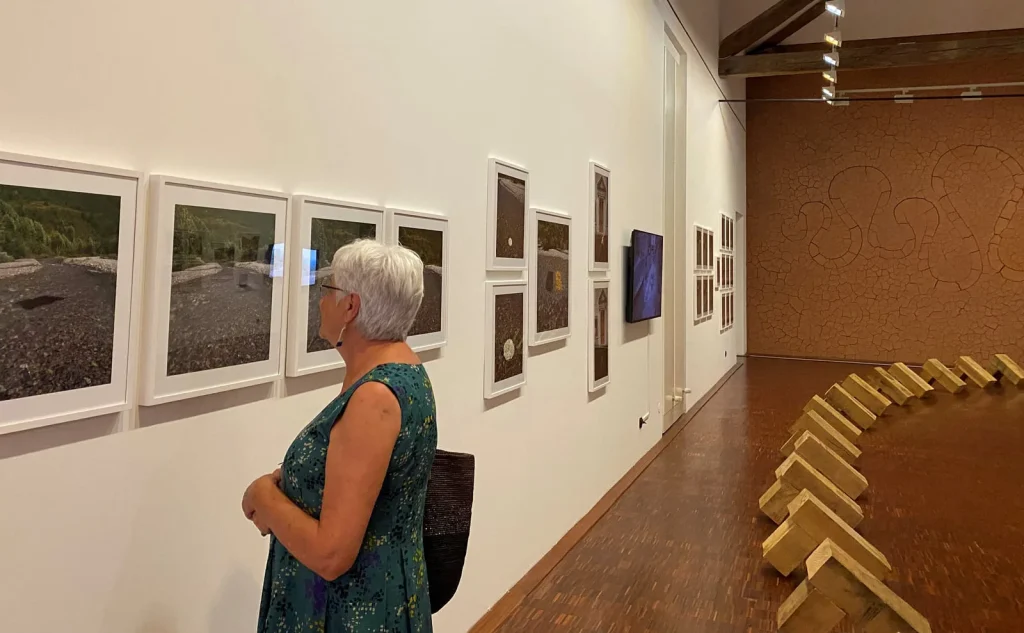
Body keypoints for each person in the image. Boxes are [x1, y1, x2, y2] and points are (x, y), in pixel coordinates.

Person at [242, 239, 438, 632]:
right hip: (378, 597)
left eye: (327, 291)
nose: (320, 302)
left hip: (349, 612)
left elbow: (332, 554)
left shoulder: (375, 398)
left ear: (351, 306)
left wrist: (263, 496)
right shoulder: (402, 374)